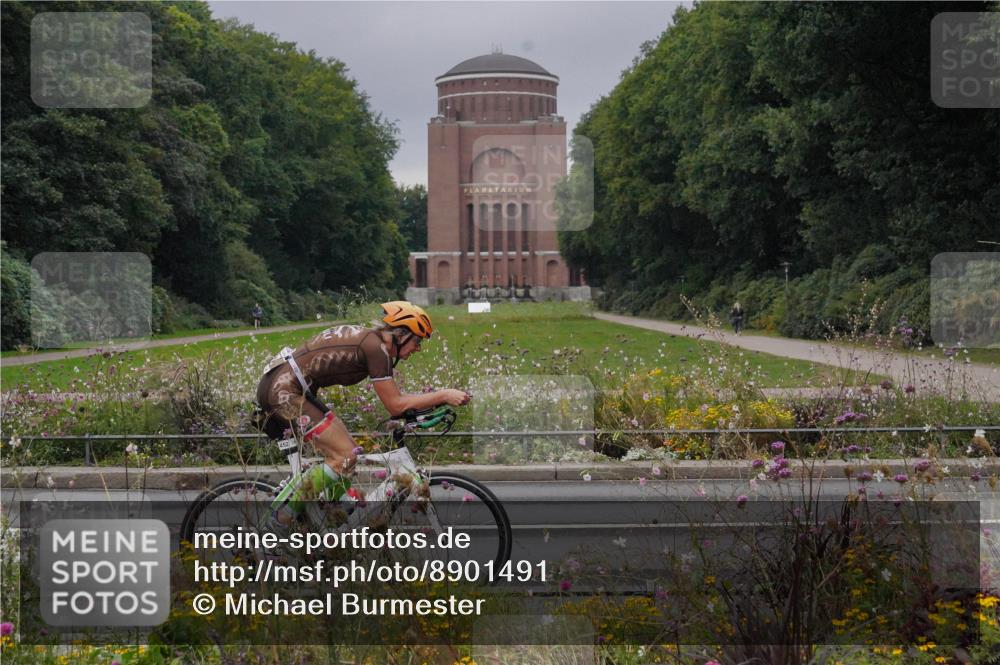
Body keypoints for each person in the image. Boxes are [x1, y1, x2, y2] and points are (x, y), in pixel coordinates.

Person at [254, 301, 470, 526]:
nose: (418, 348)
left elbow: (398, 401)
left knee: (350, 456)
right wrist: (443, 395)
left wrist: (424, 409)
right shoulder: (376, 349)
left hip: (291, 387)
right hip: (283, 392)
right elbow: (395, 405)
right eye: (417, 341)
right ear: (401, 334)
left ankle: (331, 517)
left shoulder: (373, 343)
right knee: (343, 456)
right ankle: (279, 519)